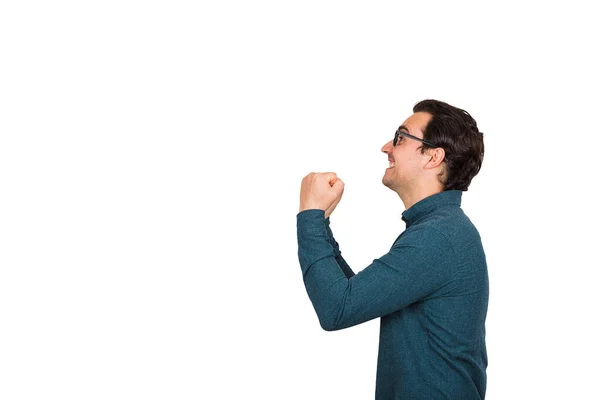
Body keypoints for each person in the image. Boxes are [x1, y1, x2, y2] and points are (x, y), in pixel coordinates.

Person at [296, 99, 488, 399]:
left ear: (433, 157)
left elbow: (337, 307)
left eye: (400, 137)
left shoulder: (438, 237)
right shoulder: (439, 230)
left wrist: (309, 215)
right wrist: (320, 222)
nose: (387, 147)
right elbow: (353, 294)